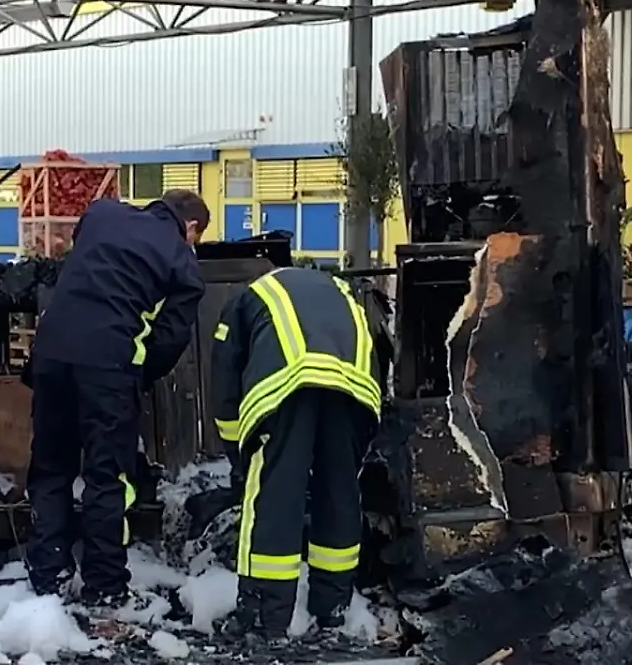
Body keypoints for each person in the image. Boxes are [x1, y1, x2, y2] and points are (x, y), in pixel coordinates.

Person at [27, 190, 208, 607]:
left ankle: (47, 579)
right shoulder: (183, 262)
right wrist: (134, 376)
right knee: (106, 477)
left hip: (50, 353)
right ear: (192, 228)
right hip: (107, 364)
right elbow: (167, 341)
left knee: (51, 467)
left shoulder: (102, 213)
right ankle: (105, 588)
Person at [209, 266, 382, 639]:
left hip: (286, 384)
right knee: (339, 492)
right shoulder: (342, 291)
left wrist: (241, 455)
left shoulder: (249, 296)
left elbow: (225, 379)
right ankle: (332, 609)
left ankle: (264, 616)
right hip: (355, 388)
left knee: (276, 494)